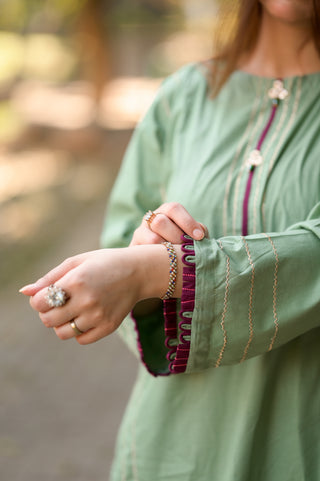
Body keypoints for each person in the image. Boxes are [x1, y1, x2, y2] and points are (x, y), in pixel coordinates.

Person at [20, 0, 320, 479]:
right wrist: (136, 263)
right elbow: (120, 243)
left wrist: (159, 270)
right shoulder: (184, 96)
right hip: (172, 452)